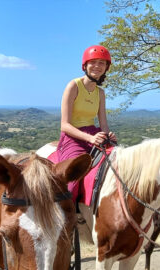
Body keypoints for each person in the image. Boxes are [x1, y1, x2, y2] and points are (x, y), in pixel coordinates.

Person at [56, 45, 116, 202]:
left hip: (94, 134)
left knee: (117, 165)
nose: (97, 66)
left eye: (102, 63)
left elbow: (103, 123)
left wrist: (108, 136)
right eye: (93, 62)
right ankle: (66, 214)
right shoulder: (73, 86)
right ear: (85, 65)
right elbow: (65, 125)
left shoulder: (100, 93)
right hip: (73, 137)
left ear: (106, 67)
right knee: (72, 179)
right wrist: (90, 139)